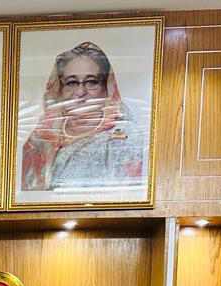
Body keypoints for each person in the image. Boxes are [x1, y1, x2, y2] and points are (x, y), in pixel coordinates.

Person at [20, 41, 147, 193]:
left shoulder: (123, 136)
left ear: (106, 87)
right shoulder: (40, 138)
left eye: (91, 82)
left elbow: (124, 197)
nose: (80, 92)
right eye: (71, 82)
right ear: (60, 88)